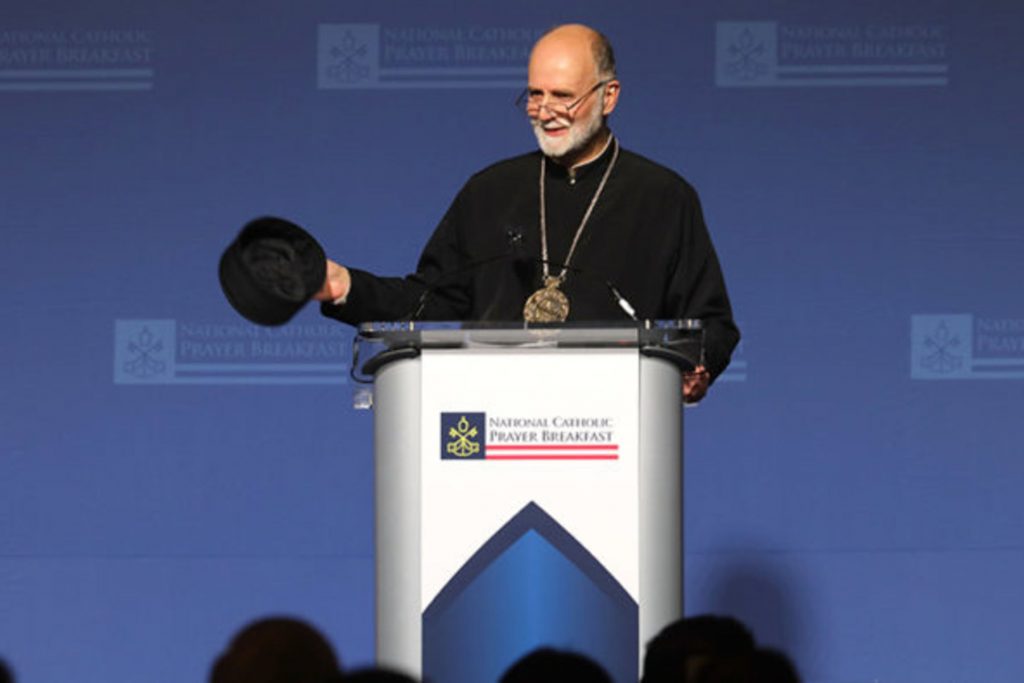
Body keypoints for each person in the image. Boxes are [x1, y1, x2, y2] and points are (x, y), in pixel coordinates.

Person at [314, 23, 739, 402]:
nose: (544, 111)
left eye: (563, 96)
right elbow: (431, 301)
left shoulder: (663, 196)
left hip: (614, 424)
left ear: (608, 96)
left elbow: (712, 323)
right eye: (536, 95)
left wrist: (696, 363)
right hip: (496, 417)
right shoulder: (489, 191)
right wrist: (344, 286)